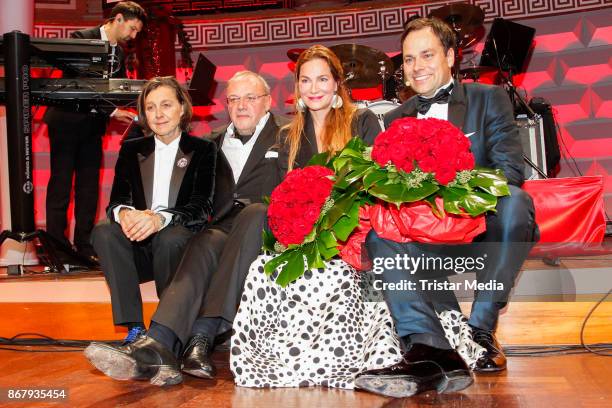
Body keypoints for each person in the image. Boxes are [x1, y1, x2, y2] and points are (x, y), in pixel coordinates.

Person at [355, 17, 539, 398]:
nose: (417, 66)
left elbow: (509, 173)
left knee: (516, 201)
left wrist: (450, 196)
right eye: (408, 59)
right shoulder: (393, 118)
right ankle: (430, 347)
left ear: (451, 57)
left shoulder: (489, 99)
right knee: (378, 231)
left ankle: (481, 332)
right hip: (425, 238)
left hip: (477, 230)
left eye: (427, 55)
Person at [84, 71, 288, 386]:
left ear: (268, 101)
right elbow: (196, 201)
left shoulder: (288, 134)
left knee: (220, 223)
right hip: (218, 227)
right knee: (202, 240)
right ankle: (161, 344)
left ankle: (198, 337)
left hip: (261, 225)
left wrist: (161, 217)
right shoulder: (212, 141)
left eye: (250, 98)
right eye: (233, 99)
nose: (241, 106)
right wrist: (128, 214)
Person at [229, 45, 402, 389]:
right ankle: (280, 360)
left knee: (336, 274)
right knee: (264, 270)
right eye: (305, 80)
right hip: (302, 241)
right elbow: (281, 199)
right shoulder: (287, 136)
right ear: (297, 87)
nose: (314, 88)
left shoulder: (362, 121)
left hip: (351, 237)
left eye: (323, 79)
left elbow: (373, 185)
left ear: (338, 83)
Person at [86, 76, 216, 354]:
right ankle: (134, 327)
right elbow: (117, 201)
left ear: (182, 108)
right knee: (103, 230)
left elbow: (202, 206)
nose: (159, 114)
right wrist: (126, 215)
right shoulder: (132, 149)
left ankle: (169, 326)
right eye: (151, 107)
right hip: (140, 246)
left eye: (166, 105)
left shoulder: (204, 150)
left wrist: (160, 218)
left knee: (169, 237)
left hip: (179, 246)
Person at [43, 1, 147, 263]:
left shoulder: (120, 54)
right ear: (118, 18)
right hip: (66, 122)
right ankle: (57, 249)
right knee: (61, 185)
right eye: (132, 29)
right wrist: (112, 112)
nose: (133, 36)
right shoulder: (82, 38)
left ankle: (85, 247)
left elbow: (119, 89)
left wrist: (145, 101)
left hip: (92, 126)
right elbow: (84, 82)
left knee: (88, 189)